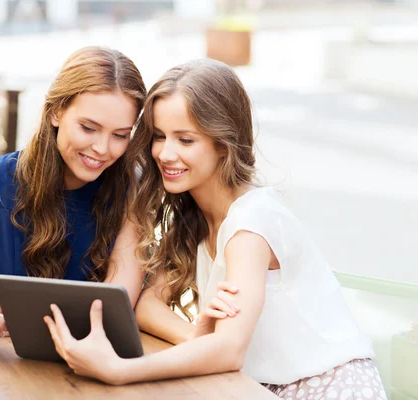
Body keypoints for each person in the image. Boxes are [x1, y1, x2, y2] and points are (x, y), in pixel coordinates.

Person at [44, 59, 386, 400]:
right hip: (255, 386)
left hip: (329, 387)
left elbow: (228, 351)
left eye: (186, 140)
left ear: (223, 142)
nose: (166, 153)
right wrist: (200, 341)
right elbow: (147, 307)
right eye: (160, 136)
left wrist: (117, 370)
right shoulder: (194, 218)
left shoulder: (250, 224)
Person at [0, 46, 147, 348]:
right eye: (88, 128)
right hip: (4, 369)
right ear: (56, 111)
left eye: (120, 135)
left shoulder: (131, 193)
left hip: (88, 369)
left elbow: (114, 312)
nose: (102, 148)